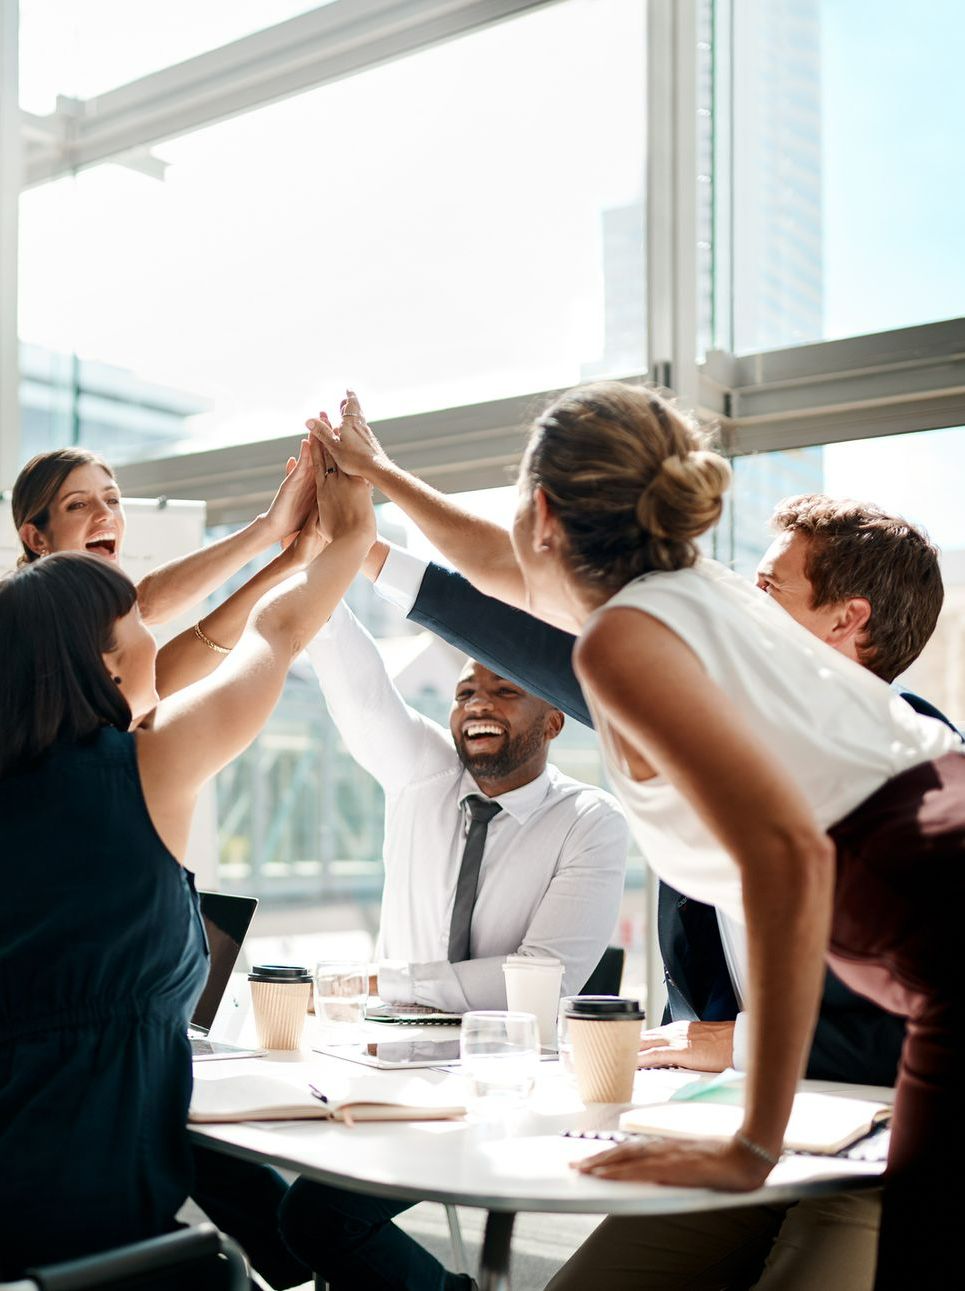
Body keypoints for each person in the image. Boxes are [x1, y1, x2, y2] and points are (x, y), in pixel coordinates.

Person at [312, 387, 964, 1291]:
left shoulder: (632, 641)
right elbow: (498, 572)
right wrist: (376, 486)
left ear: (542, 512)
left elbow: (790, 862)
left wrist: (750, 1146)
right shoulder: (695, 600)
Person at [0, 435, 374, 1277]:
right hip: (88, 1218)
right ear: (100, 655)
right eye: (135, 622)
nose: (150, 633)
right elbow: (274, 637)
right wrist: (346, 528)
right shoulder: (148, 764)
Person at [278, 597, 628, 1289]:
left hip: (501, 1086)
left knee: (317, 1218)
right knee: (238, 1161)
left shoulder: (591, 819)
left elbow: (542, 982)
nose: (478, 703)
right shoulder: (423, 778)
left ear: (555, 717)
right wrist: (318, 571)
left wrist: (393, 982)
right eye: (467, 688)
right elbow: (360, 687)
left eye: (504, 688)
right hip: (378, 1064)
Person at [10, 442, 319, 697]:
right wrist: (269, 530)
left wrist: (287, 556)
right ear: (36, 538)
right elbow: (142, 604)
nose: (106, 514)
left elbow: (159, 679)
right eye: (78, 504)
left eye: (112, 499)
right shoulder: (19, 621)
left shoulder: (111, 667)